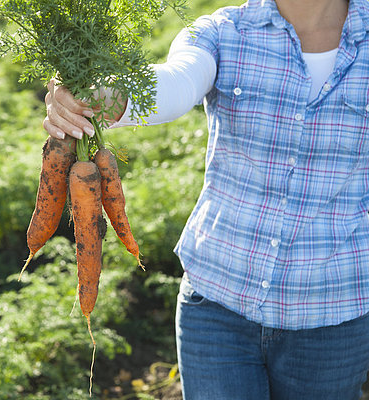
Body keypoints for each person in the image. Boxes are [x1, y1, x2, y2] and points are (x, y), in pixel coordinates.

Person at [43, 0, 369, 398]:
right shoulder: (222, 31)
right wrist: (104, 97)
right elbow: (176, 84)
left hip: (334, 314)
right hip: (217, 306)